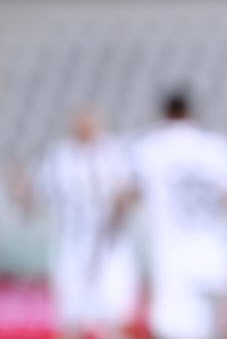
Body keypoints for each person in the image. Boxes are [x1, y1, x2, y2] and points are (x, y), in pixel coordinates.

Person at [109, 92, 227, 339]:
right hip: (218, 257)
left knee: (176, 331)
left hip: (175, 261)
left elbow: (123, 196)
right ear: (192, 112)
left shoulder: (148, 147)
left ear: (163, 114)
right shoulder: (218, 147)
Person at [25, 107, 139, 339]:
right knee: (71, 318)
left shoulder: (115, 153)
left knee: (114, 318)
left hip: (110, 248)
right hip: (72, 247)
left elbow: (131, 193)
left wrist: (121, 204)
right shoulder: (58, 157)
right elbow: (33, 196)